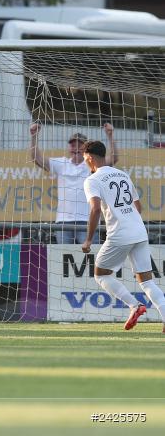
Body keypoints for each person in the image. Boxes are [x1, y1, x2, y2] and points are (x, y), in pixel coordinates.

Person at [80, 140, 165, 333]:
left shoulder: (92, 180)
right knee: (146, 281)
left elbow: (95, 209)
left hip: (120, 233)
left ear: (90, 158)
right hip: (139, 230)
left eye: (85, 159)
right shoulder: (122, 174)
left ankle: (134, 306)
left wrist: (88, 240)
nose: (85, 162)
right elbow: (138, 207)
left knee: (100, 274)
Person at [29, 123, 118, 244]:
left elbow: (113, 158)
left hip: (88, 221)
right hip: (63, 222)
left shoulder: (93, 164)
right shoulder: (61, 163)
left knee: (90, 257)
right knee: (62, 258)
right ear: (69, 147)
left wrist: (110, 135)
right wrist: (34, 136)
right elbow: (36, 158)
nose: (75, 148)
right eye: (72, 145)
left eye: (80, 145)